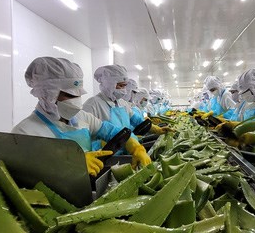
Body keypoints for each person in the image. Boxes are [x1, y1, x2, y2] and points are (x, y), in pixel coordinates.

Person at [11, 57, 151, 176]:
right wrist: (71, 164)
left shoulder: (81, 117)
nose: (76, 101)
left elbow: (112, 131)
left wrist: (136, 148)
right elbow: (26, 174)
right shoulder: (25, 132)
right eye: (70, 95)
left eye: (79, 94)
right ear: (46, 94)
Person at [82, 65, 171, 135]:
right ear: (109, 84)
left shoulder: (123, 104)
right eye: (120, 85)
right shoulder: (92, 104)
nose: (123, 90)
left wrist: (156, 129)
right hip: (103, 153)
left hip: (124, 149)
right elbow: (85, 135)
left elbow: (138, 121)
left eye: (125, 86)